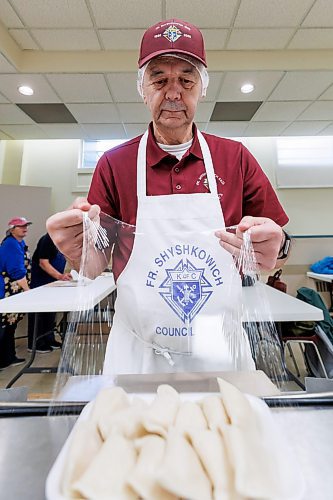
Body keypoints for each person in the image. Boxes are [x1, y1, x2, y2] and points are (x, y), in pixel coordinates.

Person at [47, 19, 290, 376]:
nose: (173, 92)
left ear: (202, 89)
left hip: (219, 349)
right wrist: (78, 250)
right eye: (159, 80)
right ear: (142, 89)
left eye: (186, 80)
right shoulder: (116, 164)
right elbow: (96, 262)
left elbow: (280, 250)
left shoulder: (235, 159)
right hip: (138, 353)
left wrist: (277, 249)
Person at [27, 232, 72, 354]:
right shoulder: (48, 239)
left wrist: (64, 275)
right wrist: (60, 276)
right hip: (41, 281)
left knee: (50, 313)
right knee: (39, 313)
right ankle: (35, 343)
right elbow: (43, 262)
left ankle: (49, 339)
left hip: (53, 282)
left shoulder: (63, 240)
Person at [0, 217, 31, 370]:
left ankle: (9, 356)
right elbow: (16, 271)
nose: (24, 228)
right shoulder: (11, 244)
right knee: (5, 325)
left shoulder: (20, 243)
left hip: (14, 289)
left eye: (26, 226)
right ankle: (4, 359)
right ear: (12, 229)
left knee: (10, 325)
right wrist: (28, 291)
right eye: (20, 226)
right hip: (6, 290)